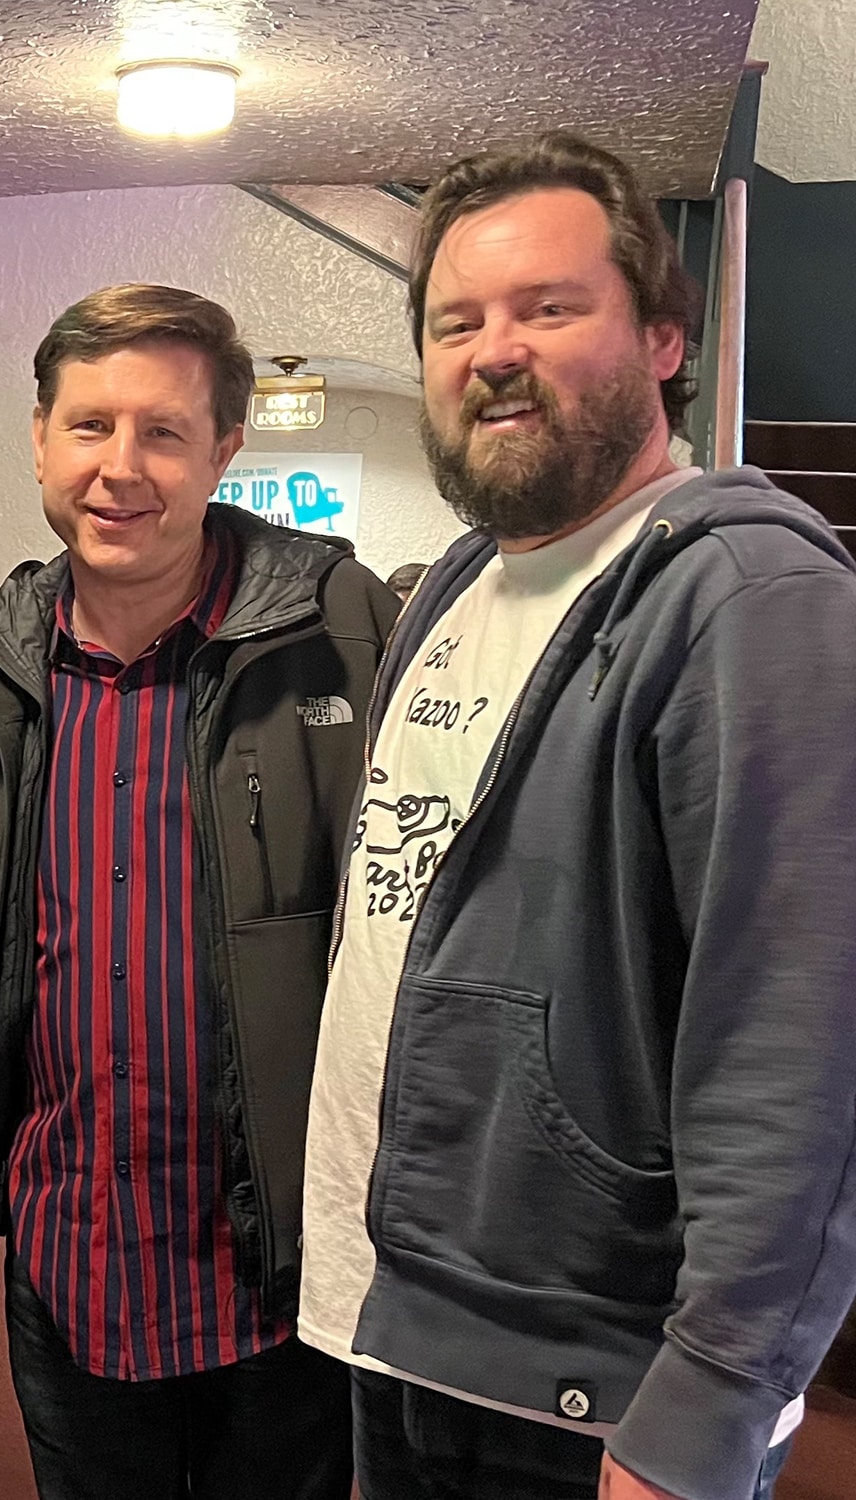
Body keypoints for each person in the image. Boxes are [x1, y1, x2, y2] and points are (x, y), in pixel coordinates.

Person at [300, 132, 856, 1500]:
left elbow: (799, 1053)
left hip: (590, 1392)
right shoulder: (452, 589)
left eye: (549, 309)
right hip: (410, 1328)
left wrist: (710, 1408)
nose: (494, 350)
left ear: (664, 335)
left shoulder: (746, 600)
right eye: (456, 320)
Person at [0, 283, 399, 1500]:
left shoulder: (346, 637)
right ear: (38, 437)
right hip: (71, 1264)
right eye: (88, 427)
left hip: (277, 1272)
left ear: (224, 451)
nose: (118, 468)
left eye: (163, 432)